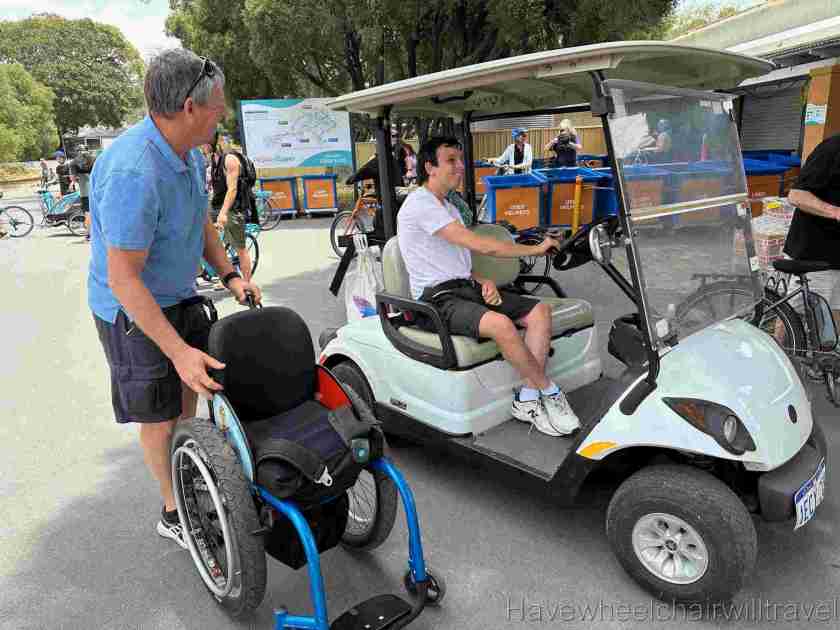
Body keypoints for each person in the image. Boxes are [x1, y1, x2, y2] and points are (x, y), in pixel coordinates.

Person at [88, 49, 262, 549]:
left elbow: (200, 222)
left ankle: (190, 470)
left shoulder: (186, 153)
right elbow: (124, 281)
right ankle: (173, 510)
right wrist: (178, 349)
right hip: (131, 308)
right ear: (190, 106)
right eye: (219, 105)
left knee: (185, 396)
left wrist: (229, 273)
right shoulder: (134, 172)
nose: (223, 113)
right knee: (160, 415)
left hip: (176, 295)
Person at [398, 137, 581, 436]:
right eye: (451, 161)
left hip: (464, 289)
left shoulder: (448, 208)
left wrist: (481, 280)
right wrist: (536, 249)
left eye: (459, 159)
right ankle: (548, 391)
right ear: (430, 167)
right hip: (437, 300)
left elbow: (459, 260)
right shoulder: (420, 204)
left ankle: (527, 398)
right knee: (502, 325)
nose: (460, 167)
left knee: (539, 311)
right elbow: (483, 246)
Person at [783, 133, 840, 329]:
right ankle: (782, 354)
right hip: (815, 254)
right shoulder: (832, 149)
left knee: (831, 321)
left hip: (837, 257)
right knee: (794, 317)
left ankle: (825, 357)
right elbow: (796, 195)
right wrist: (834, 211)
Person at [209, 132, 255, 284]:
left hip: (232, 209)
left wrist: (223, 213)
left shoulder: (229, 159)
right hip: (217, 206)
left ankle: (246, 283)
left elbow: (232, 189)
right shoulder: (213, 159)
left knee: (240, 249)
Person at [69, 149, 95, 239]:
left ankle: (89, 234)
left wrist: (76, 179)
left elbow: (72, 178)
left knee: (88, 213)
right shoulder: (94, 159)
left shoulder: (74, 163)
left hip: (85, 191)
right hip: (97, 189)